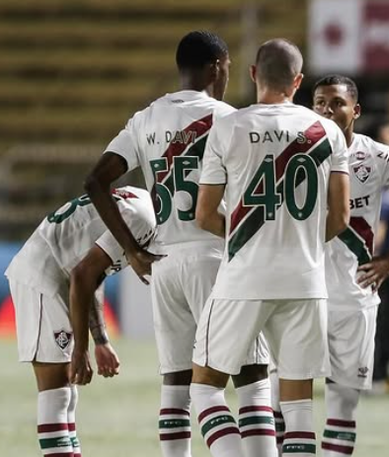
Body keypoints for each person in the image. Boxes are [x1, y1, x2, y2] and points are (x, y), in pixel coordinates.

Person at [84, 30, 270, 457]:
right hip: (217, 258)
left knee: (176, 383)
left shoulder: (146, 118)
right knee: (250, 374)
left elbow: (96, 181)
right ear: (216, 67)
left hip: (164, 264)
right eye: (225, 69)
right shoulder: (230, 117)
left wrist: (131, 249)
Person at [189, 38, 350, 457]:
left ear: (253, 74)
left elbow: (205, 215)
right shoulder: (328, 131)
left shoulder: (228, 127)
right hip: (305, 279)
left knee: (205, 390)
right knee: (298, 409)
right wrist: (300, 243)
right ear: (299, 81)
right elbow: (341, 218)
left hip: (243, 277)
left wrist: (250, 237)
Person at [311, 75, 389, 456]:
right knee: (282, 398)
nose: (326, 109)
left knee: (343, 404)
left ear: (355, 110)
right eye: (320, 102)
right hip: (300, 293)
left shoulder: (378, 155)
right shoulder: (295, 151)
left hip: (354, 297)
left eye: (337, 103)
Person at [5, 186, 154, 457]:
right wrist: (81, 349)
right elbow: (82, 274)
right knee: (57, 391)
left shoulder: (145, 204)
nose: (149, 270)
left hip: (55, 270)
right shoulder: (143, 221)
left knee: (68, 393)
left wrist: (101, 340)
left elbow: (91, 273)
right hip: (42, 274)